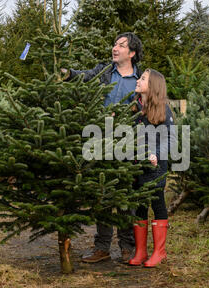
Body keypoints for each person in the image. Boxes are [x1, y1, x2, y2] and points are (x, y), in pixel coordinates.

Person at [63, 32, 143, 264]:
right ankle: (102, 247)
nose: (115, 48)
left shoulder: (140, 78)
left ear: (132, 53)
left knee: (126, 195)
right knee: (104, 193)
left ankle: (127, 246)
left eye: (121, 45)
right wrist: (66, 73)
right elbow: (82, 76)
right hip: (101, 138)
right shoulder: (104, 71)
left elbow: (148, 108)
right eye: (114, 44)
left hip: (127, 141)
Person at [128, 68, 174, 268]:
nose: (138, 80)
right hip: (136, 164)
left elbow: (170, 138)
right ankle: (140, 251)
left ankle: (159, 251)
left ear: (153, 86)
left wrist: (156, 153)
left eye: (143, 78)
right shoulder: (135, 106)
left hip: (155, 166)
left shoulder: (163, 108)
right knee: (139, 205)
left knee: (157, 203)